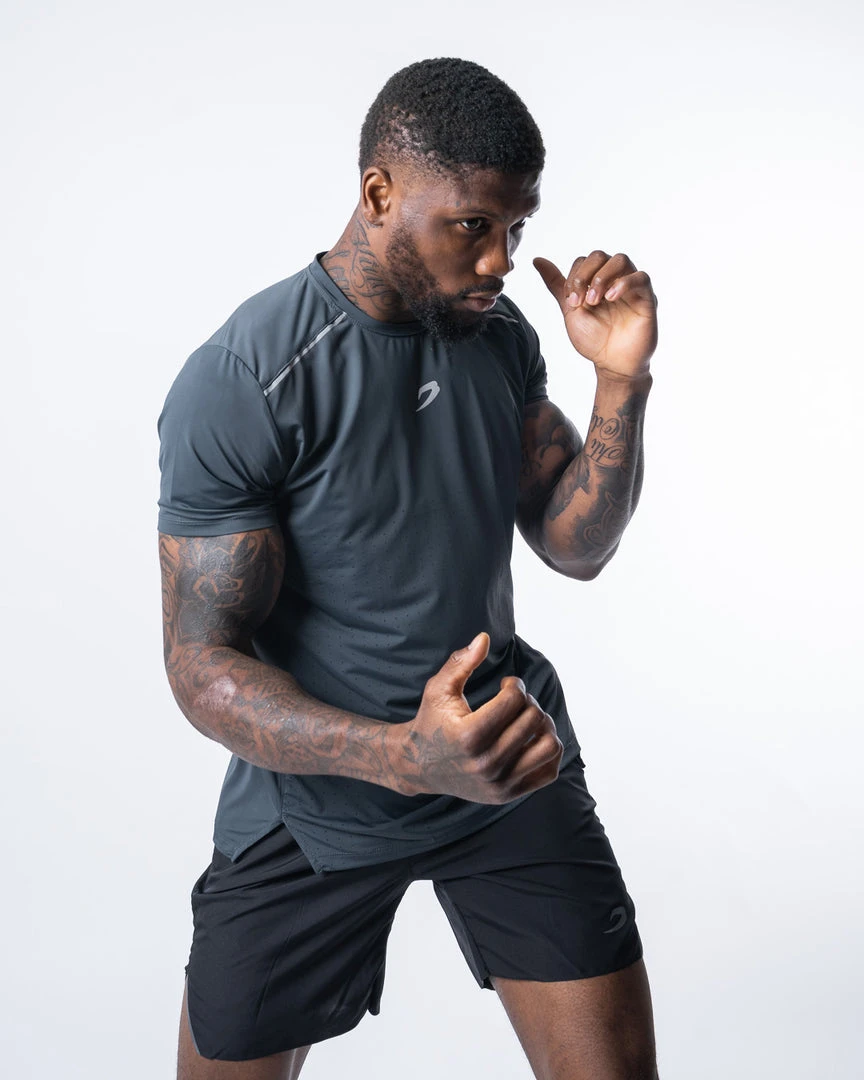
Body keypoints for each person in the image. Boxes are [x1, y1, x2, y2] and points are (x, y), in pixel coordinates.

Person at [158, 56, 659, 1080]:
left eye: (517, 227)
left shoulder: (499, 336)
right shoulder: (246, 377)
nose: (500, 260)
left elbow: (575, 546)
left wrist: (621, 380)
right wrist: (402, 757)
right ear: (380, 193)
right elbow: (201, 666)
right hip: (318, 800)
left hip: (507, 759)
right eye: (472, 224)